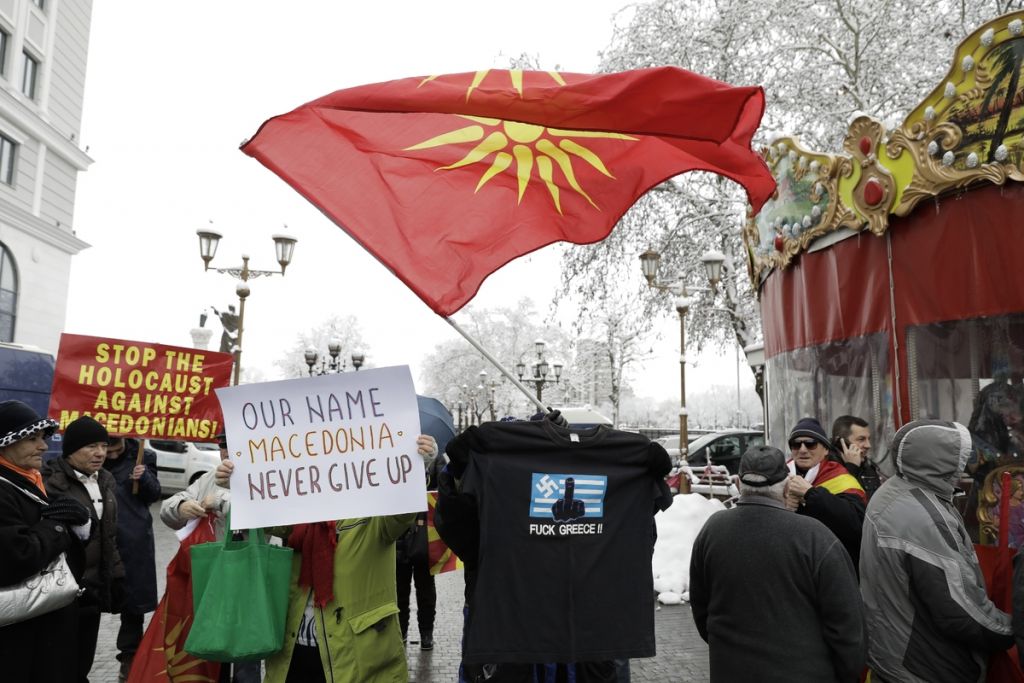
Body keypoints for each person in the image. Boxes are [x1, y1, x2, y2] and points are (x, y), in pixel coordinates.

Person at [213, 433, 437, 683]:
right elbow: (264, 512)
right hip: (295, 651)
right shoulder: (299, 504)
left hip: (356, 655)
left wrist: (416, 468)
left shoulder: (375, 505)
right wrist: (239, 482)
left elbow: (401, 512)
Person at [689, 444, 865, 682]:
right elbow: (847, 625)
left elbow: (702, 609)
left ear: (739, 485)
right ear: (786, 488)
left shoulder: (712, 529)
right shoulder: (815, 537)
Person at [861, 419, 1014, 682]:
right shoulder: (923, 516)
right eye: (960, 457)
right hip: (926, 666)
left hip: (895, 655)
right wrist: (1011, 629)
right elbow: (958, 610)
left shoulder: (897, 490)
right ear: (939, 460)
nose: (964, 465)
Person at [0, 400, 91, 682]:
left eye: (42, 438)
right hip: (20, 635)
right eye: (32, 439)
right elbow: (17, 556)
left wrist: (79, 520)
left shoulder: (25, 480)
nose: (42, 446)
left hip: (42, 624)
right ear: (5, 444)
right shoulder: (4, 488)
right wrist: (58, 526)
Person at [159, 433, 259, 683]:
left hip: (249, 581)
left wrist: (221, 500)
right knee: (211, 656)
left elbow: (268, 518)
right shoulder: (208, 478)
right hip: (211, 582)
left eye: (233, 445)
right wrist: (180, 507)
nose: (227, 451)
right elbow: (167, 510)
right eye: (223, 445)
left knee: (247, 658)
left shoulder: (263, 477)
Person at [44, 415, 126, 683]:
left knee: (83, 661)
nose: (100, 453)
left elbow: (108, 534)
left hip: (94, 587)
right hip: (63, 589)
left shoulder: (106, 480)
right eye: (91, 446)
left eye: (103, 445)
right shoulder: (51, 483)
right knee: (60, 663)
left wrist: (115, 575)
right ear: (71, 450)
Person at [103, 435, 161, 682]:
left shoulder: (143, 455)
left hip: (134, 539)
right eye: (109, 451)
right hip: (102, 539)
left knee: (133, 605)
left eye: (117, 449)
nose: (112, 455)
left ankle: (129, 659)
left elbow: (154, 495)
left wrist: (144, 477)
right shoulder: (93, 456)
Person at [783, 416, 866, 567]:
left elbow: (858, 525)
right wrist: (781, 505)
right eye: (796, 444)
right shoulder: (778, 476)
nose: (802, 450)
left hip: (832, 565)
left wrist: (810, 494)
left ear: (826, 449)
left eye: (811, 444)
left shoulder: (841, 477)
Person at [396, 445, 439, 651]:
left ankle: (426, 633)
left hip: (423, 538)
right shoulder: (392, 462)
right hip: (398, 539)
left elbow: (440, 486)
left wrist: (429, 460)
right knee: (399, 592)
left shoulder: (431, 463)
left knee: (426, 592)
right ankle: (400, 632)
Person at [831, 414, 882, 499]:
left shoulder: (869, 468)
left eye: (868, 439)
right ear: (841, 443)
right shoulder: (827, 469)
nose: (868, 445)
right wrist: (852, 468)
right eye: (861, 439)